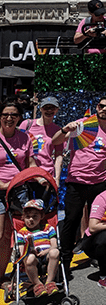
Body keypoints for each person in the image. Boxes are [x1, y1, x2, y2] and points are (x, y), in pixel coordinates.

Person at [53, 96, 106, 275]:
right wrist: (65, 129)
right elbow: (55, 141)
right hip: (76, 183)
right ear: (96, 107)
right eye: (101, 106)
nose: (104, 109)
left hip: (99, 184)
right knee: (71, 223)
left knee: (100, 223)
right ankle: (64, 263)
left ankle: (98, 255)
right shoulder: (81, 124)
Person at [0, 100, 36, 280]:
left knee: (14, 234)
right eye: (5, 114)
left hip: (20, 190)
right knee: (0, 235)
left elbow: (30, 163)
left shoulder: (24, 137)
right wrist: (3, 185)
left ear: (19, 118)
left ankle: (6, 275)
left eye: (13, 115)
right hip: (0, 190)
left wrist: (39, 176)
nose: (9, 118)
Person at [16, 199, 59, 297]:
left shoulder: (48, 228)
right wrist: (30, 252)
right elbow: (22, 252)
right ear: (23, 217)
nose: (31, 219)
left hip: (47, 255)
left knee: (55, 252)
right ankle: (37, 284)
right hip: (32, 259)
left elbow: (54, 245)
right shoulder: (21, 233)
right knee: (29, 258)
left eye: (34, 216)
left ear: (42, 216)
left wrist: (46, 251)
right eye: (27, 217)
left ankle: (49, 282)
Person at [20, 97, 63, 184]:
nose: (49, 111)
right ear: (40, 109)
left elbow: (59, 155)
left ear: (57, 110)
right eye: (46, 108)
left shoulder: (58, 130)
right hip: (27, 174)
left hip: (46, 174)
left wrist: (57, 178)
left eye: (52, 108)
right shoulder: (27, 125)